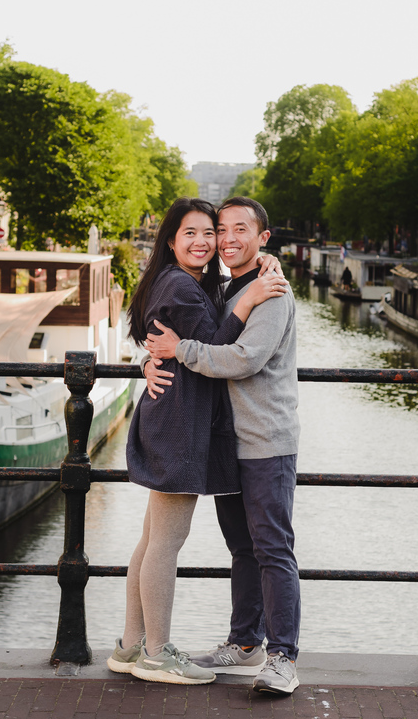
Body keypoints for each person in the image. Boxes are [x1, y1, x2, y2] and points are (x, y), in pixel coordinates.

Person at [107, 197, 288, 687]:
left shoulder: (179, 282)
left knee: (151, 540)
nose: (205, 241)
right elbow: (222, 346)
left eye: (210, 233)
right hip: (181, 424)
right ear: (170, 240)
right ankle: (158, 652)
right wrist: (248, 301)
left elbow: (182, 343)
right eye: (191, 233)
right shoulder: (183, 288)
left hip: (171, 417)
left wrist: (261, 268)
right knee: (167, 541)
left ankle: (130, 645)